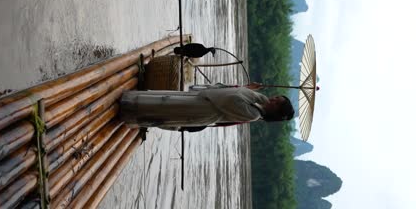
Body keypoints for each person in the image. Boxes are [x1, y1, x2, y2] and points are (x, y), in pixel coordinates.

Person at [119, 83, 294, 132]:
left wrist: (246, 91)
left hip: (204, 110)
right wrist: (249, 89)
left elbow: (230, 99)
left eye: (277, 103)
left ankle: (130, 111)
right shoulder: (258, 100)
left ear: (276, 112)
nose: (273, 100)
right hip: (205, 100)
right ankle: (131, 101)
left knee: (167, 108)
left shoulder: (254, 114)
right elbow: (232, 93)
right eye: (276, 98)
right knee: (165, 99)